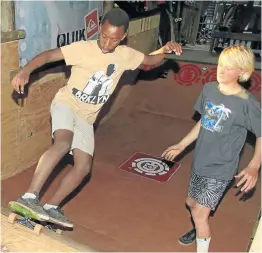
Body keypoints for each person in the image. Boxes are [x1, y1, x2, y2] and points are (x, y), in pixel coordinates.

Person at [11, 8, 182, 227]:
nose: (106, 43)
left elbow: (150, 61)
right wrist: (26, 70)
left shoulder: (125, 55)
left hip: (86, 118)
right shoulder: (84, 49)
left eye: (113, 40)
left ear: (123, 38)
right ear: (99, 29)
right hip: (66, 104)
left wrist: (166, 49)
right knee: (63, 143)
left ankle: (51, 208)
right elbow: (49, 55)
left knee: (83, 167)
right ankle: (29, 197)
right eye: (103, 36)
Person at [162, 45, 261, 252]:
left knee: (200, 214)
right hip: (201, 162)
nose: (221, 71)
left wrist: (254, 166)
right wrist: (182, 144)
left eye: (229, 68)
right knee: (191, 204)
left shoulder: (247, 104)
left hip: (222, 168)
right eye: (220, 65)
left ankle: (202, 242)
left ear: (242, 72)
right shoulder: (208, 90)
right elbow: (204, 121)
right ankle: (198, 228)